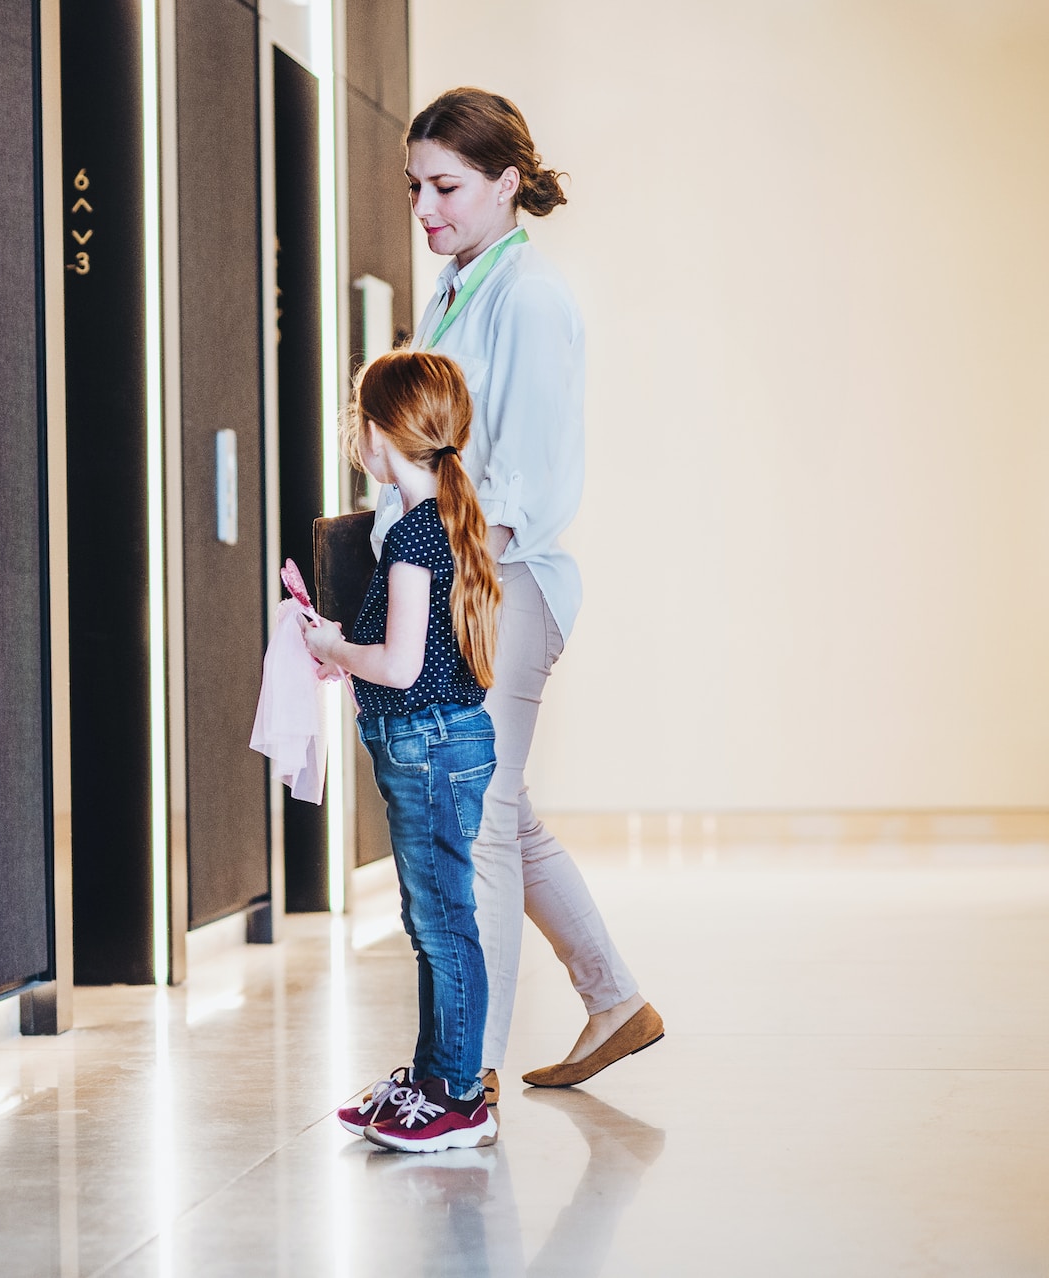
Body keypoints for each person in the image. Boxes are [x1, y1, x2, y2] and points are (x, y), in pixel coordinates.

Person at [371, 87, 662, 1092]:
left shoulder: (528, 297)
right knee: (503, 808)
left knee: (476, 817)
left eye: (446, 186)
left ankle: (467, 1077)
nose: (425, 207)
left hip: (496, 586)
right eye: (415, 186)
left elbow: (526, 480)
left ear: (506, 183)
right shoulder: (455, 289)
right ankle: (614, 998)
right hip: (461, 578)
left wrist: (435, 579)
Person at [303, 350, 501, 1152]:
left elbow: (400, 664)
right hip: (434, 745)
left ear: (380, 434)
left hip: (428, 747)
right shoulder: (437, 519)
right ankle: (433, 1077)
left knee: (442, 923)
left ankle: (458, 1096)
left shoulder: (416, 534)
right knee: (434, 918)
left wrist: (333, 642)